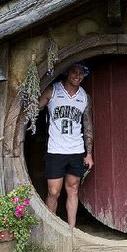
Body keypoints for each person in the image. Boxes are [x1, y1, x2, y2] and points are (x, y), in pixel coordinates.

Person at [37, 61, 94, 229]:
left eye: (81, 73)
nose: (77, 76)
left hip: (76, 150)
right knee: (54, 192)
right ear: (67, 73)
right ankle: (51, 230)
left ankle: (71, 230)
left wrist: (88, 153)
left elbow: (88, 125)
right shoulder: (53, 90)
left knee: (73, 189)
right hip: (55, 150)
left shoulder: (84, 97)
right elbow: (33, 110)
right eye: (74, 72)